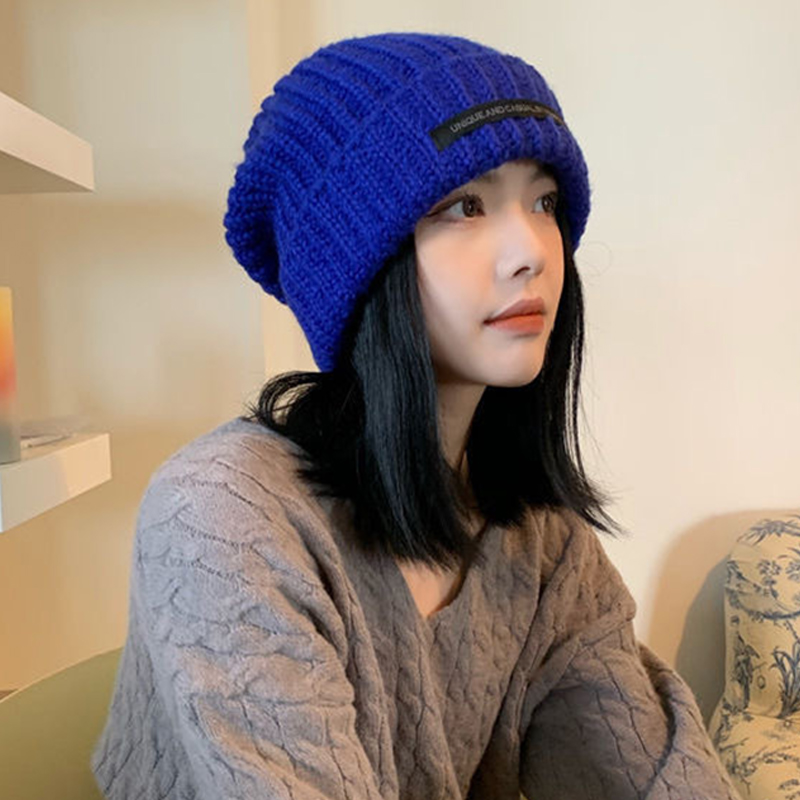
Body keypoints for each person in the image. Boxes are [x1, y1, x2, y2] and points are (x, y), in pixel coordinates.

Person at [90, 31, 740, 800]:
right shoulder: (222, 515)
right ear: (361, 270)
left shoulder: (544, 547)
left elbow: (649, 776)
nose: (533, 250)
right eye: (465, 205)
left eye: (544, 202)